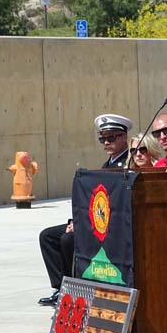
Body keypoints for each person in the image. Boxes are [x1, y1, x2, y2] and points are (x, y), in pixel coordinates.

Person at [37, 114, 133, 306]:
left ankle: (73, 288)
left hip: (109, 226)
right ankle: (60, 288)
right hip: (93, 220)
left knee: (67, 239)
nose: (106, 142)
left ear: (124, 137)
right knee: (47, 236)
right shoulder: (108, 165)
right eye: (102, 139)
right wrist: (76, 221)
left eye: (111, 138)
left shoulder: (127, 164)